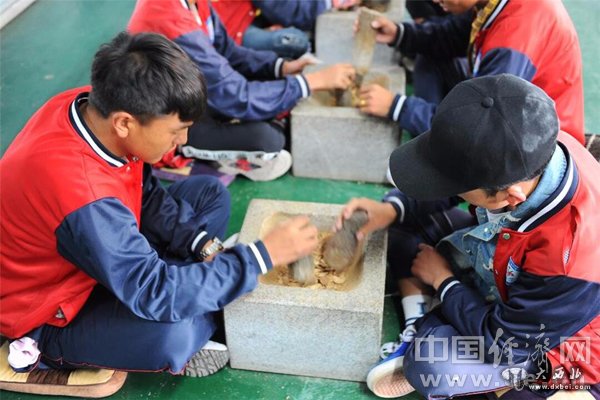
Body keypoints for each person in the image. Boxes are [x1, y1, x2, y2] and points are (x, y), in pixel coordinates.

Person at [0, 32, 319, 377]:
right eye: (175, 130)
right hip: (50, 307)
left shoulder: (92, 107)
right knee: (172, 334)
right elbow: (154, 291)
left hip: (91, 256)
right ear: (124, 123)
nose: (183, 141)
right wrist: (257, 259)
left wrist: (203, 246)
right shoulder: (84, 194)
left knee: (209, 195)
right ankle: (48, 347)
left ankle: (192, 282)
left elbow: (143, 192)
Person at [338, 75, 600, 398]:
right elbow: (459, 173)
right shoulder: (532, 142)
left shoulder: (570, 257)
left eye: (457, 187)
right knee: (399, 226)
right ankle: (433, 320)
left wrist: (444, 282)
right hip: (505, 268)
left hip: (557, 340)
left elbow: (503, 344)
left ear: (510, 196)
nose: (448, 189)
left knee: (431, 366)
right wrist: (393, 208)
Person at [128, 0, 356, 181]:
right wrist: (310, 83)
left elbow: (229, 52)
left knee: (274, 109)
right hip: (166, 122)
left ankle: (226, 141)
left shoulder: (193, 3)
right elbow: (237, 96)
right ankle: (189, 150)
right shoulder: (172, 20)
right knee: (270, 141)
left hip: (192, 96)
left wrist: (280, 67)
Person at [356, 0, 585, 145]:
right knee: (429, 56)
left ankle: (433, 142)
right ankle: (432, 135)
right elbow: (452, 35)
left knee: (465, 148)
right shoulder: (492, 4)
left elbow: (478, 125)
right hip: (505, 110)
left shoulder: (513, 39)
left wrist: (399, 107)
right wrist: (400, 34)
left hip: (537, 146)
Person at [211, 0, 359, 59]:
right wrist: (329, 3)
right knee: (297, 41)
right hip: (230, 31)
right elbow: (285, 10)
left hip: (248, 15)